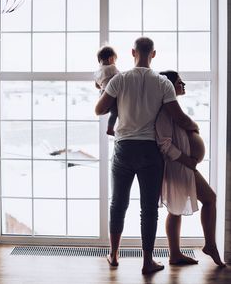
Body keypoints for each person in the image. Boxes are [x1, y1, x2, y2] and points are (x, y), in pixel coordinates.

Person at [95, 37, 199, 275]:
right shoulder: (163, 83)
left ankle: (113, 254)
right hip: (150, 150)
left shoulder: (119, 79)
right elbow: (179, 117)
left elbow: (99, 110)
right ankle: (147, 261)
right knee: (149, 208)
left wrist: (115, 100)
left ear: (132, 52)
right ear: (153, 54)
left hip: (124, 148)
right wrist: (195, 127)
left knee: (118, 203)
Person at [156, 70, 226, 267]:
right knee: (207, 199)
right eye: (180, 82)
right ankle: (208, 246)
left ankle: (177, 254)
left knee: (177, 209)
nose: (184, 84)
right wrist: (187, 160)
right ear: (169, 86)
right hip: (179, 166)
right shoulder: (164, 110)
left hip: (183, 166)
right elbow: (164, 144)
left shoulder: (173, 107)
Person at [94, 46, 119, 136]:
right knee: (115, 112)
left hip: (102, 95)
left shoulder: (98, 72)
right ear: (111, 59)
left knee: (111, 111)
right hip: (110, 95)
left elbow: (97, 85)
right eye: (115, 60)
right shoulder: (112, 68)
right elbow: (120, 77)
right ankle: (110, 129)